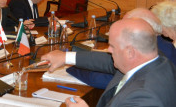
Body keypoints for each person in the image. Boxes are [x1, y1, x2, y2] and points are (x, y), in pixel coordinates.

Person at [41, 18, 176, 107]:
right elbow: (107, 61)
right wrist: (65, 57)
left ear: (130, 52)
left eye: (112, 46)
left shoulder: (143, 98)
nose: (108, 50)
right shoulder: (158, 60)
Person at [67, 7, 176, 89]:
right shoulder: (163, 45)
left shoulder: (155, 53)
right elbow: (108, 64)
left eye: (125, 27)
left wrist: (70, 68)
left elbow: (104, 80)